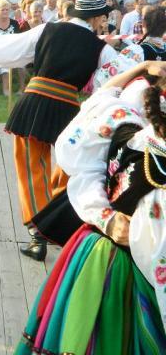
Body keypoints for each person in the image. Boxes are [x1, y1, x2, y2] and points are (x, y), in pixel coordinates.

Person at [14, 61, 166, 354]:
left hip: (95, 255)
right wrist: (107, 218)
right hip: (123, 274)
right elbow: (156, 253)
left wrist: (142, 67)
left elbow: (103, 97)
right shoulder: (154, 166)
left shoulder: (124, 126)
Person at [0, 0, 121, 261]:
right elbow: (118, 79)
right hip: (70, 111)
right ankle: (55, 225)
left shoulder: (47, 30)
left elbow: (9, 49)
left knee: (31, 168)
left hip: (34, 103)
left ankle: (37, 234)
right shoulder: (102, 49)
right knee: (68, 168)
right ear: (98, 18)